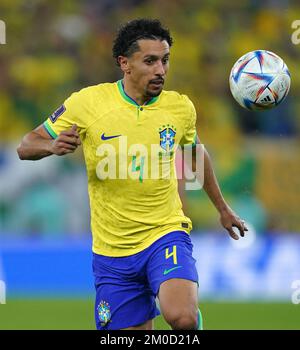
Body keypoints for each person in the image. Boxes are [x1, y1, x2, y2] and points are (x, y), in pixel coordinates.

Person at [17, 18, 247, 330]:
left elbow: (194, 155)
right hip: (112, 251)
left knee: (182, 317)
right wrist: (53, 145)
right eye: (150, 61)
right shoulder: (87, 103)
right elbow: (26, 145)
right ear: (124, 63)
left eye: (165, 60)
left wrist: (222, 208)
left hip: (164, 234)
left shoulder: (180, 108)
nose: (160, 70)